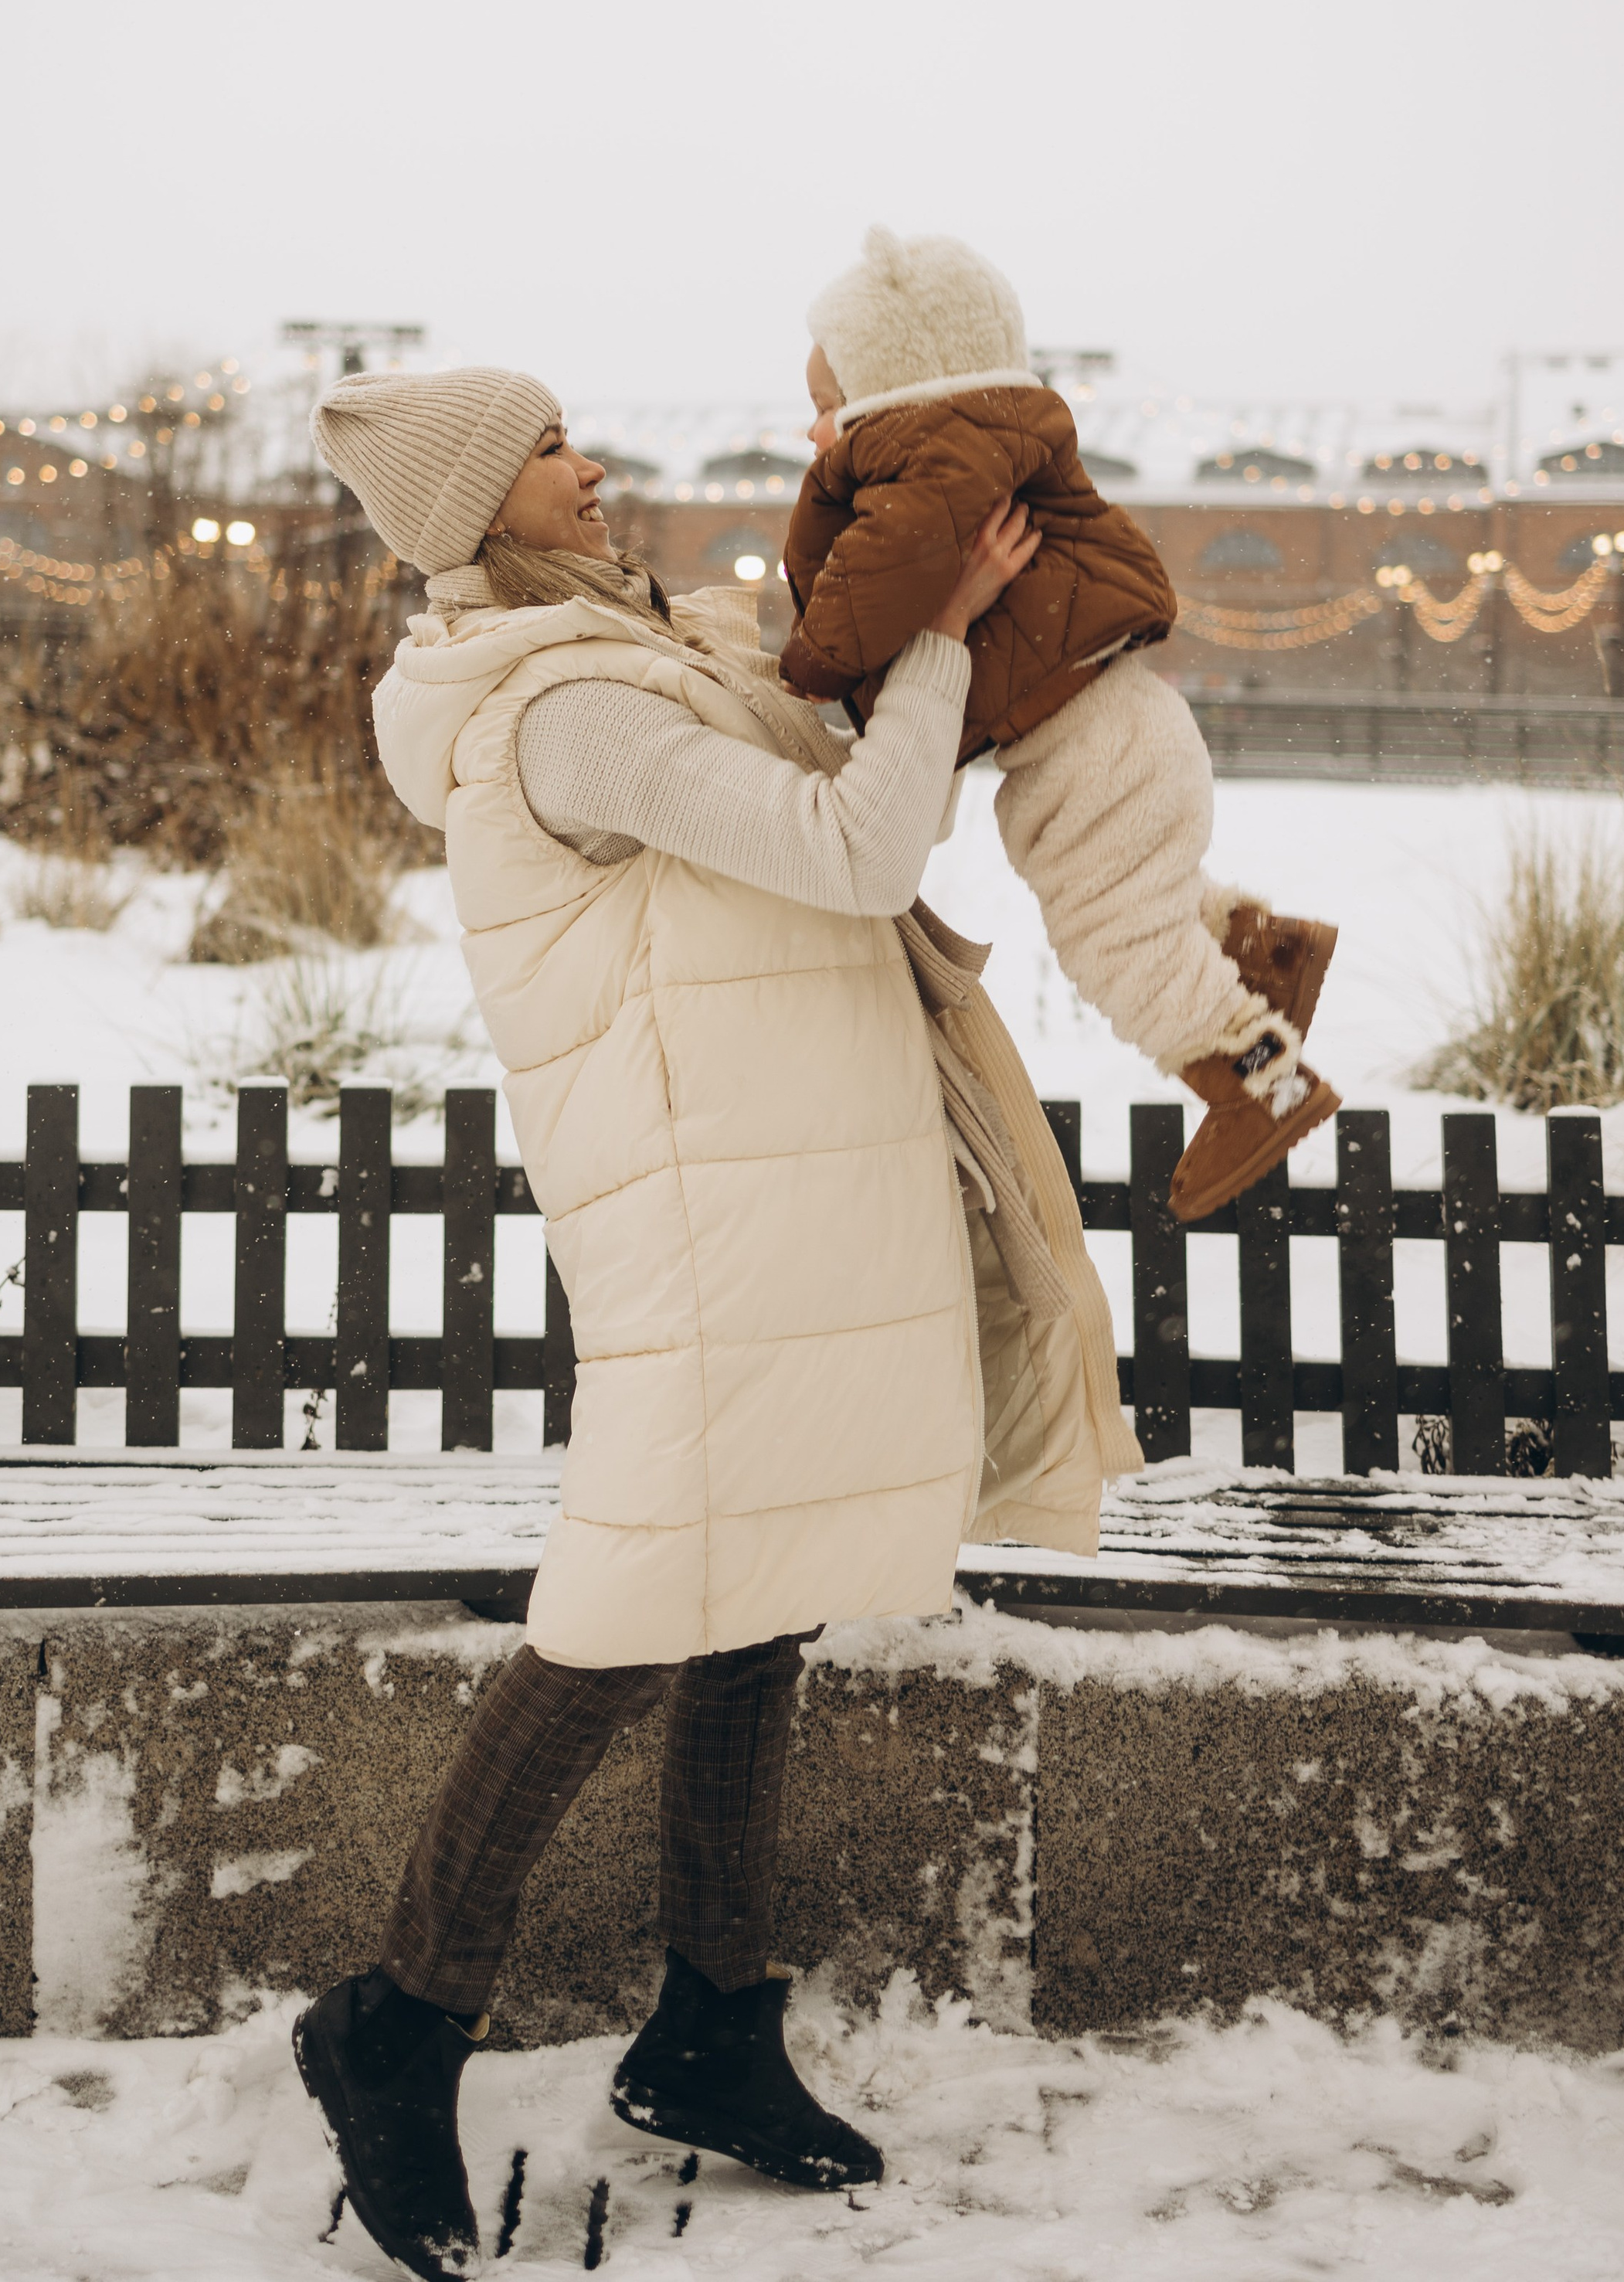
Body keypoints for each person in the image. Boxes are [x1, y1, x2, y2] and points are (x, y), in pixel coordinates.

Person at [294, 364, 1142, 2279]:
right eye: (550, 450)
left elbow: (806, 706)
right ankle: (397, 2017)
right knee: (615, 1620)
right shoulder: (565, 712)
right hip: (697, 1220)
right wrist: (930, 638)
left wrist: (878, 476)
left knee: (757, 1602)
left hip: (775, 1202)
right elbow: (853, 843)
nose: (593, 466)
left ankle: (709, 2028)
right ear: (478, 507)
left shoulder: (641, 654)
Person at [782, 226, 1342, 1221]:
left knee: (1117, 947)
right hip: (1118, 731)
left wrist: (809, 659)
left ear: (894, 386)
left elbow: (880, 577)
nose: (812, 433)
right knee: (1141, 910)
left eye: (826, 408)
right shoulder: (984, 446)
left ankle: (1265, 1089)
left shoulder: (929, 465)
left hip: (1095, 753)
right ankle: (1265, 952)